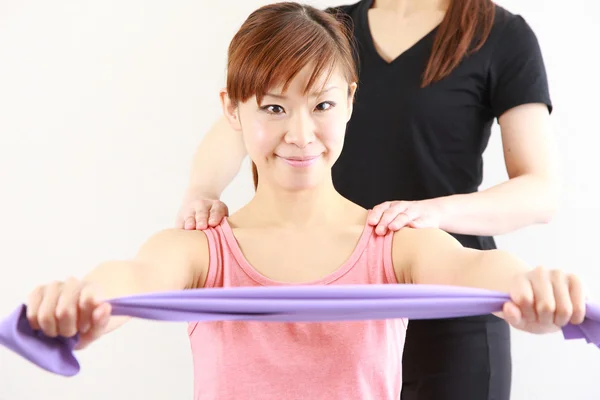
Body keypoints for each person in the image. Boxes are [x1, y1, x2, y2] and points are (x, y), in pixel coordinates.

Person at [23, 3, 574, 400]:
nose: (301, 134)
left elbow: (473, 265)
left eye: (321, 104)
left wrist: (528, 287)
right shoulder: (203, 253)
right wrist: (84, 303)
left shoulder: (394, 247)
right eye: (274, 109)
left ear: (350, 102)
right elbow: (133, 277)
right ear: (233, 111)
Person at [175, 1, 557, 399]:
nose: (301, 132)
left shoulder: (501, 35)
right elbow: (249, 116)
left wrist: (429, 214)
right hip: (345, 312)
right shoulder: (333, 29)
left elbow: (540, 192)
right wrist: (201, 193)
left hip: (450, 304)